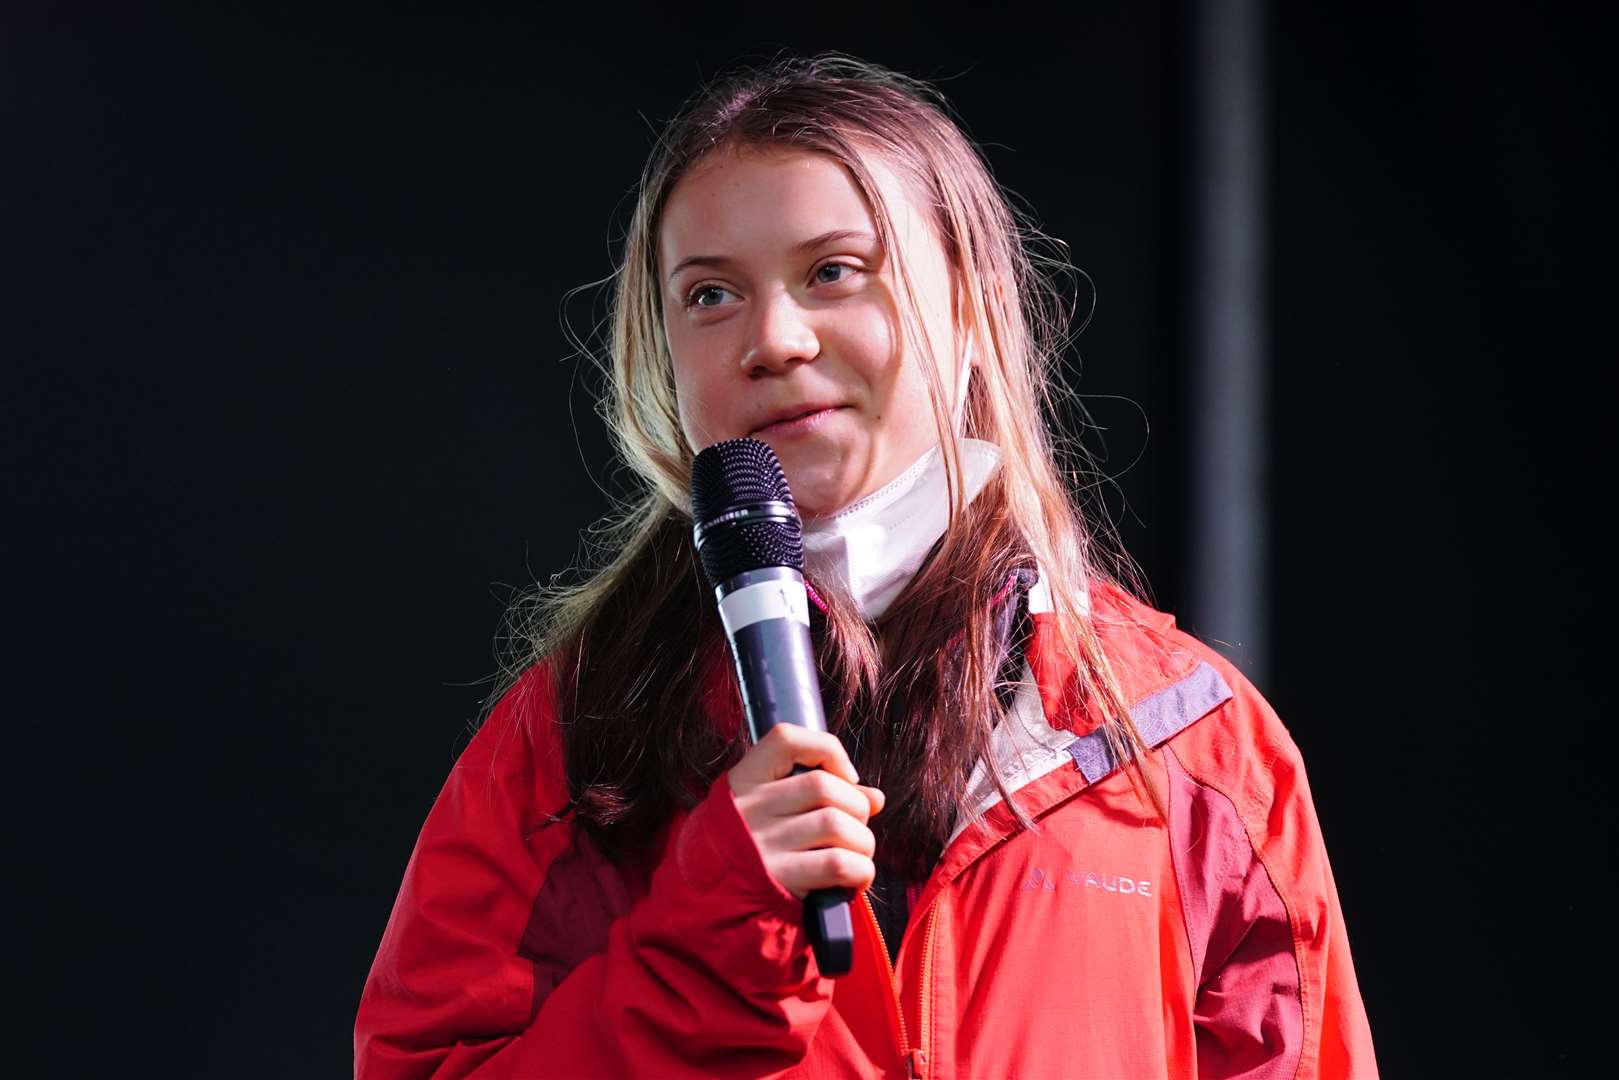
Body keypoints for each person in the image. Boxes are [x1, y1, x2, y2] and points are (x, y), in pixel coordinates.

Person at [354, 53, 1377, 1079]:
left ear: (972, 310)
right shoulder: (568, 737)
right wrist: (704, 948)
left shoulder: (1189, 741)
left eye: (833, 272)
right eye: (708, 295)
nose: (773, 338)